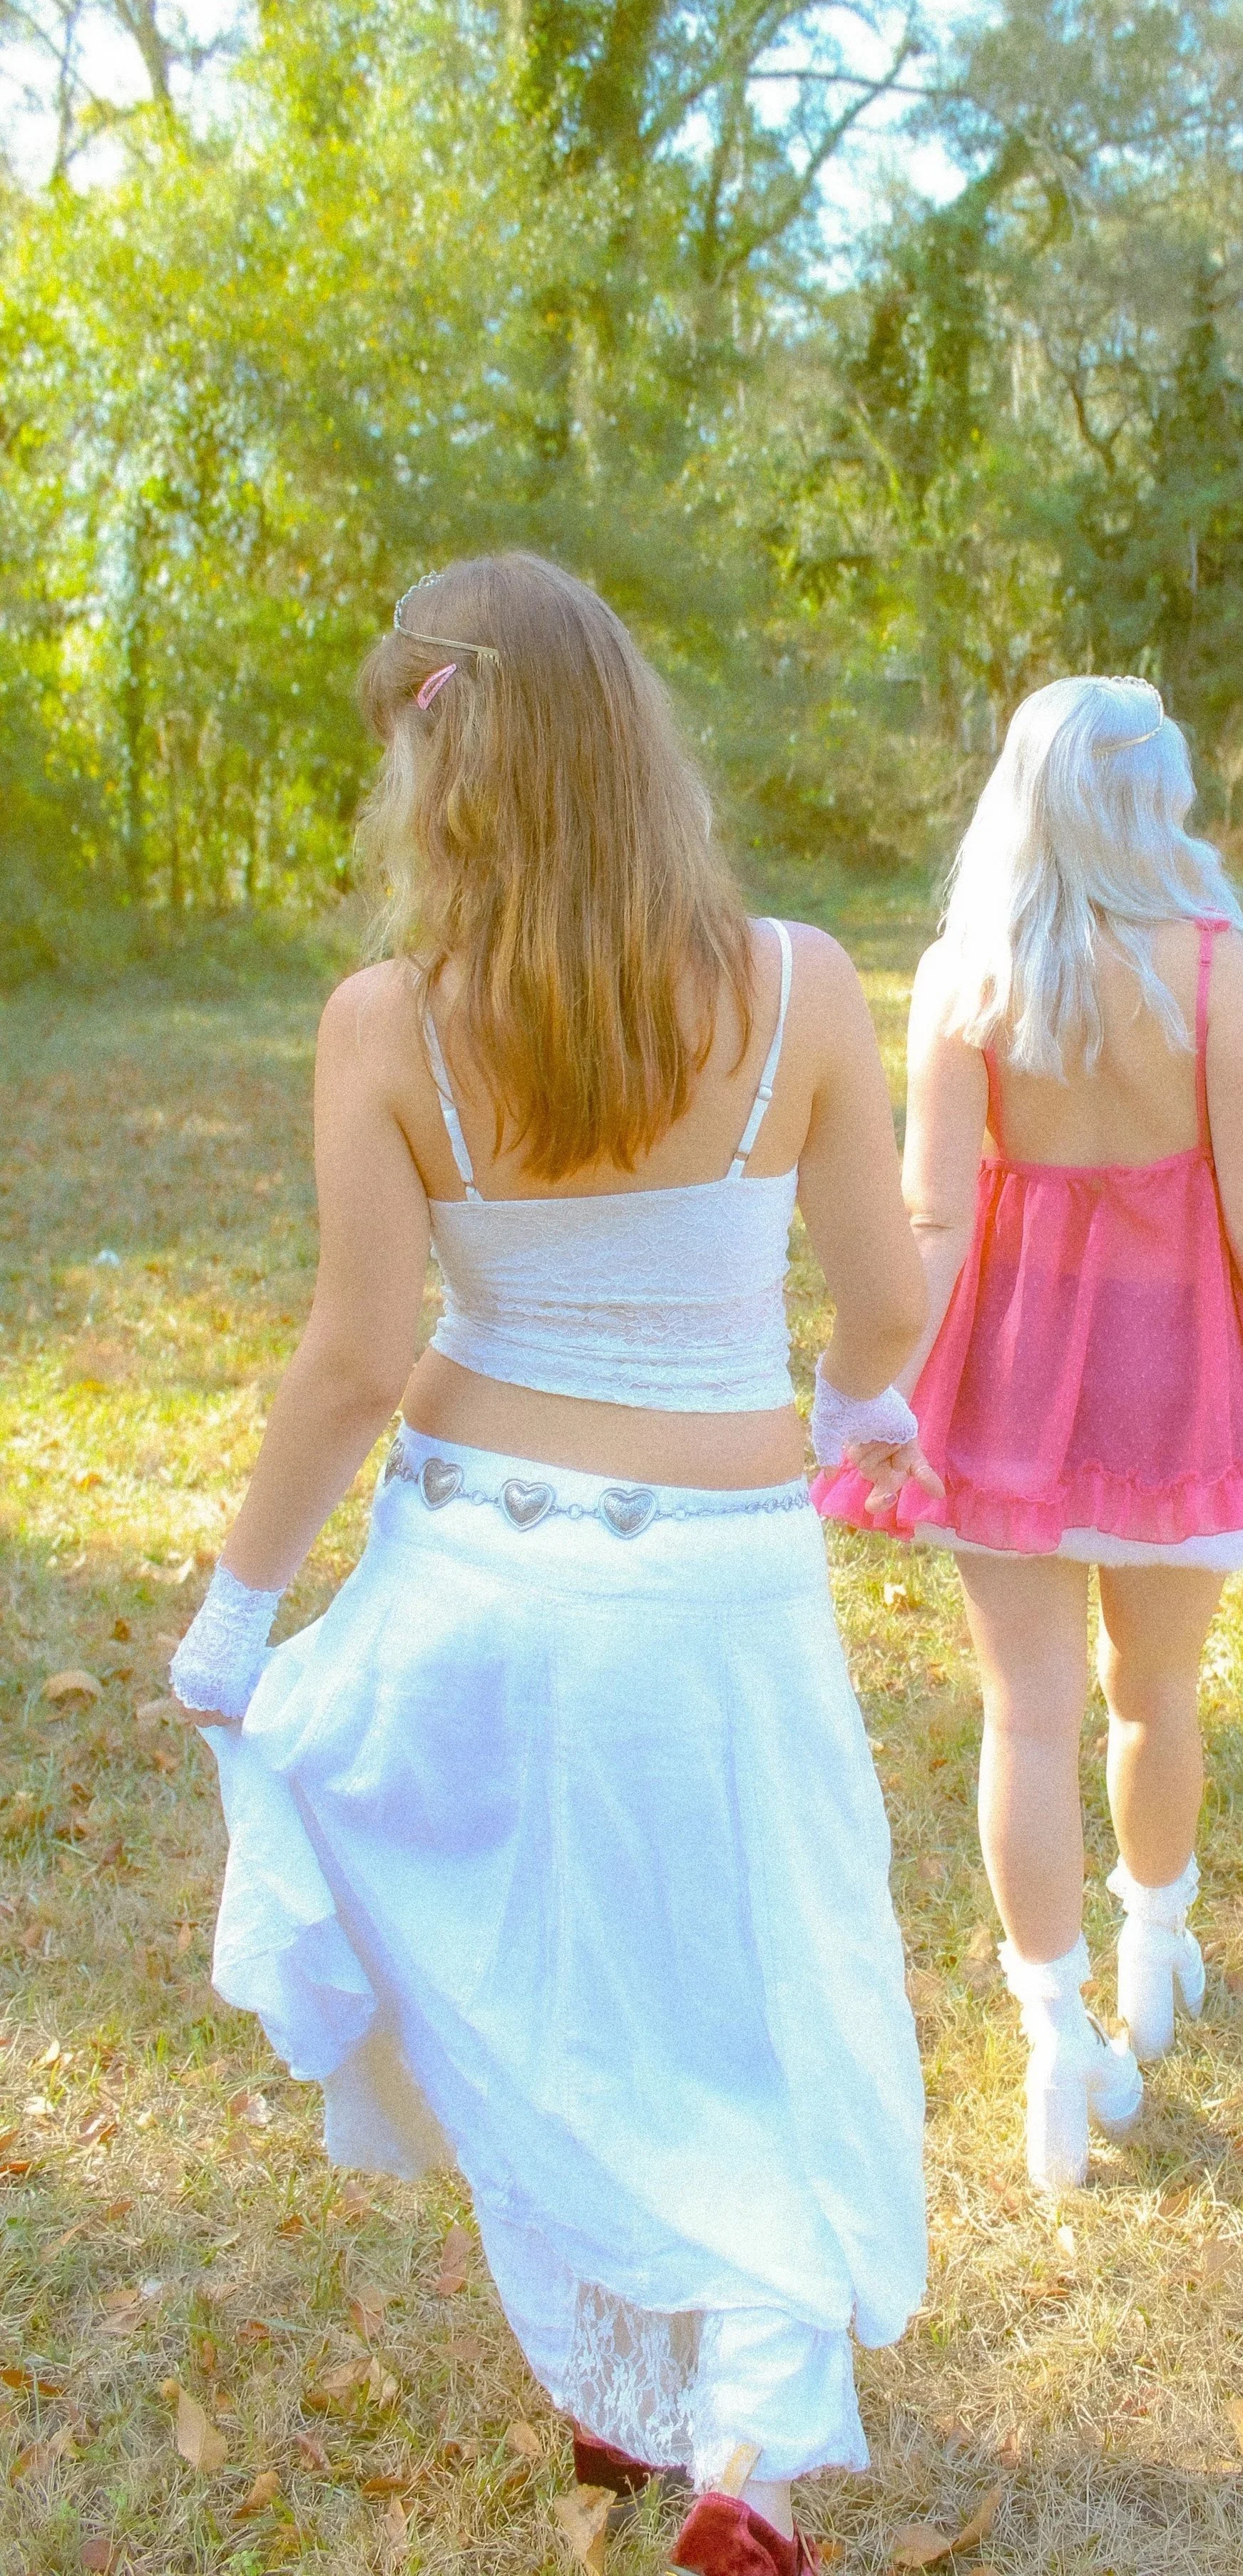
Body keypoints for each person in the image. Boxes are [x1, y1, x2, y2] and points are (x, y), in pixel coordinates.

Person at [168, 555, 932, 2576]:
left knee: (525, 1967)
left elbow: (354, 1354)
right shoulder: (805, 985)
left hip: (479, 1581)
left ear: (442, 777)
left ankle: (614, 2388)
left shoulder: (386, 1023)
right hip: (721, 1588)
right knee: (746, 1989)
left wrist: (239, 1612)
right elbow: (884, 1299)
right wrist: (863, 1403)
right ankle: (745, 2453)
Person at [815, 676, 1243, 2191]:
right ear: (1150, 798)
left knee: (1026, 1715)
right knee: (1153, 1691)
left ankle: (1054, 2036)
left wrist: (884, 1390)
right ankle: (1154, 1946)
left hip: (1008, 1390)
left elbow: (927, 1214)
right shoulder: (1204, 964)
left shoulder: (961, 970)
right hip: (1177, 1382)